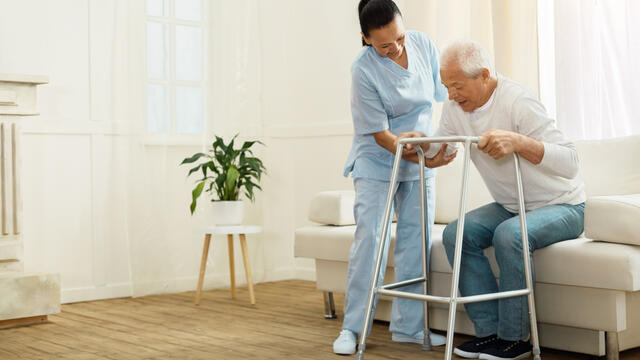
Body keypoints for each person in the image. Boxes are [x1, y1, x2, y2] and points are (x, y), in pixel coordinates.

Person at [423, 40, 586, 360]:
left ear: (483, 75)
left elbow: (571, 162)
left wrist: (519, 142)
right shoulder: (455, 108)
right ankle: (489, 333)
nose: (451, 95)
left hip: (563, 204)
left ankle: (515, 339)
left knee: (510, 234)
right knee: (456, 233)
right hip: (513, 206)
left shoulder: (517, 100)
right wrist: (422, 146)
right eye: (445, 87)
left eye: (456, 86)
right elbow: (442, 152)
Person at [334, 0, 455, 355]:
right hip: (378, 163)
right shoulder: (363, 70)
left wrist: (439, 146)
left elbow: (440, 95)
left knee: (416, 244)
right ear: (366, 38)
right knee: (370, 242)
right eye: (385, 44)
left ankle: (410, 328)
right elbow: (382, 136)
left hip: (419, 155)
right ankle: (352, 329)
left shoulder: (422, 44)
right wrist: (425, 160)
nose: (396, 47)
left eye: (399, 38)